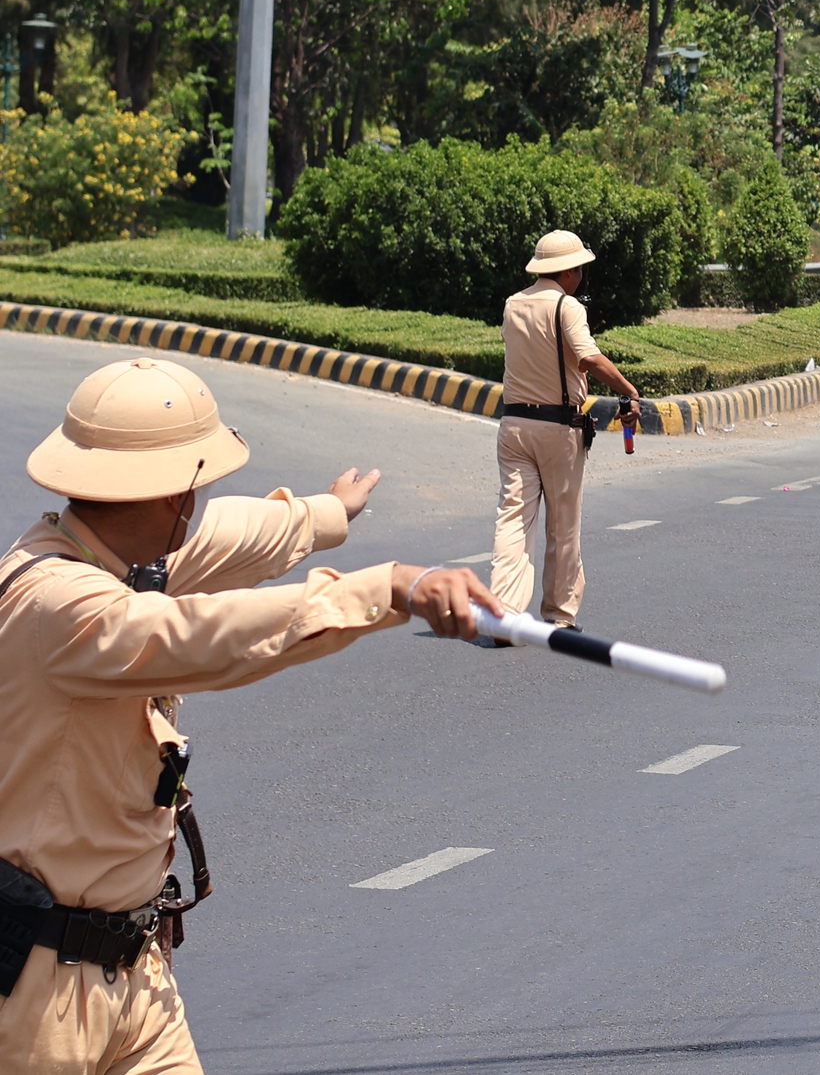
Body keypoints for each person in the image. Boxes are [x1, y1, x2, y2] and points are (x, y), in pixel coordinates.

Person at [0, 356, 499, 1074]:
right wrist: (389, 588)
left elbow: (233, 536)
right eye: (193, 486)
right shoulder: (62, 604)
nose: (199, 501)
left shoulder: (110, 554)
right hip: (40, 1000)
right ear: (171, 495)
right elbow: (209, 634)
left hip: (137, 977)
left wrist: (328, 514)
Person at [493, 231, 641, 631]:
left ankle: (504, 613)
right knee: (562, 523)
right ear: (570, 271)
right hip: (558, 428)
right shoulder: (568, 307)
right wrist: (629, 390)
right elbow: (588, 358)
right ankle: (558, 614)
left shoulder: (513, 304)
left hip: (513, 425)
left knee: (513, 520)